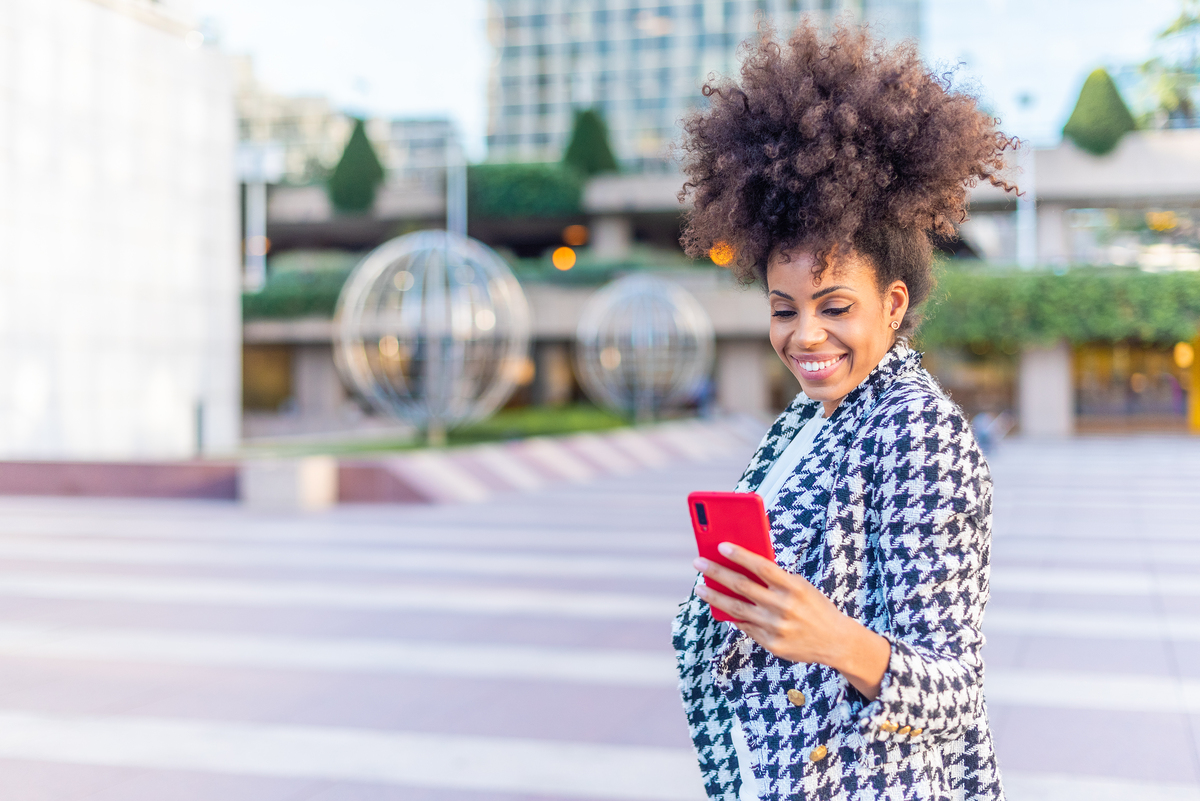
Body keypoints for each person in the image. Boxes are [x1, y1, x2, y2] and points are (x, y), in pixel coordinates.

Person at [671, 22, 1017, 801]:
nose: (806, 335)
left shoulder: (918, 432)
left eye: (834, 306)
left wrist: (834, 639)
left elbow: (955, 690)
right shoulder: (804, 420)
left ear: (893, 305)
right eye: (783, 309)